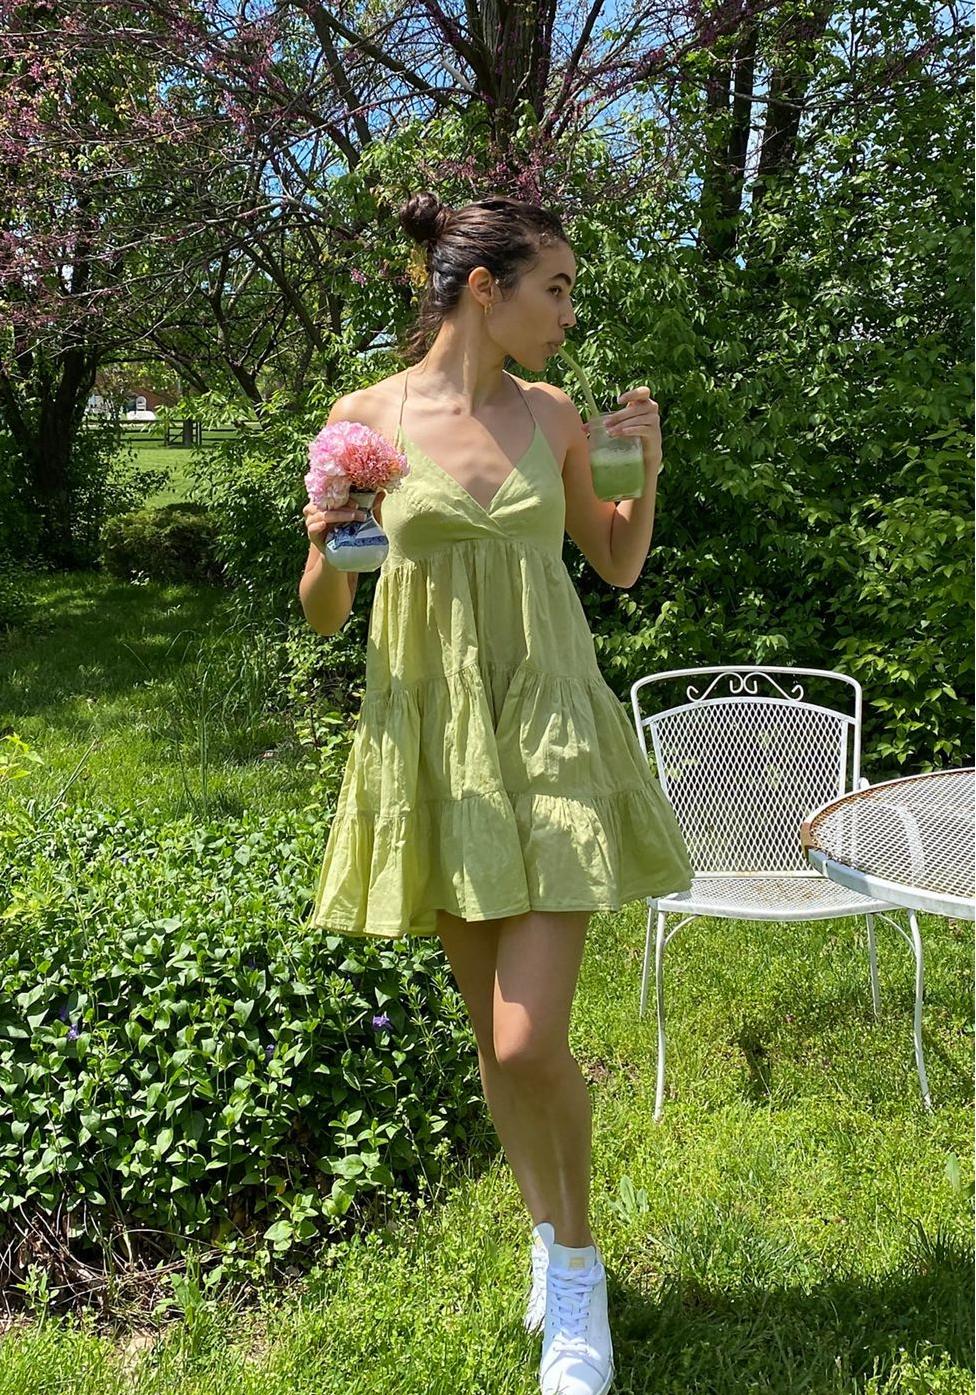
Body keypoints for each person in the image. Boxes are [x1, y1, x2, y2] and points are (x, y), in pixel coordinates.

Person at [299, 191, 694, 1395]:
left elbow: (615, 560)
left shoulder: (555, 412)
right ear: (484, 288)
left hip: (552, 727)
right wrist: (327, 533)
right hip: (437, 745)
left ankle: (576, 1277)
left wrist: (646, 473)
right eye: (555, 289)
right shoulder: (363, 421)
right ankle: (545, 1232)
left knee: (530, 1040)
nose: (568, 313)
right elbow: (325, 610)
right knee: (494, 1043)